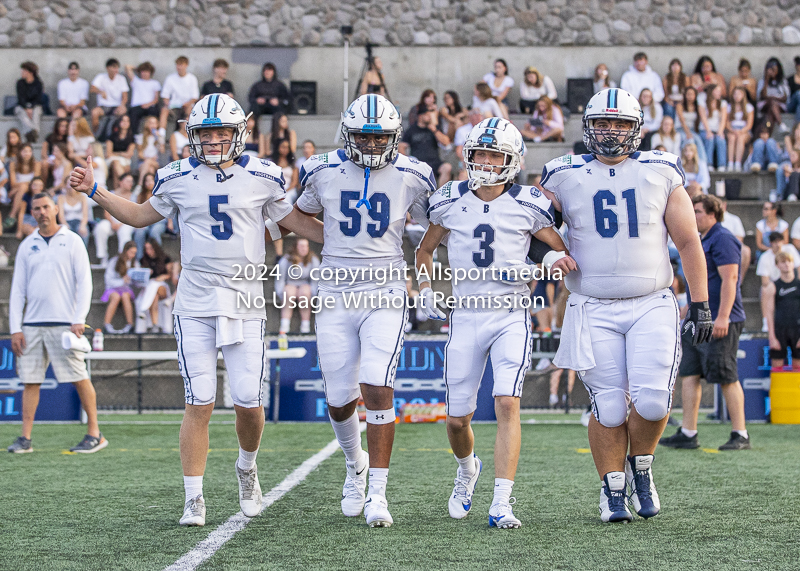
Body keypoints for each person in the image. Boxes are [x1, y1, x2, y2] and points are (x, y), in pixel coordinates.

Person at [69, 92, 323, 527]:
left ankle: (247, 467)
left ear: (238, 132)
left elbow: (293, 222)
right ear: (192, 135)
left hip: (244, 299)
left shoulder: (265, 174)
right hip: (196, 300)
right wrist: (96, 189)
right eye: (204, 132)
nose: (212, 140)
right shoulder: (176, 176)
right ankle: (194, 497)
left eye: (220, 131)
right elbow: (138, 216)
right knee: (198, 400)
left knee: (248, 400)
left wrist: (350, 241)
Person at [539, 87, 713, 523]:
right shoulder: (563, 173)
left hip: (652, 301)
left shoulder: (660, 169)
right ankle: (612, 489)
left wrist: (702, 302)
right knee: (610, 406)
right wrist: (546, 254)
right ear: (588, 126)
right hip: (592, 304)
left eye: (620, 123)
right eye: (602, 123)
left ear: (637, 129)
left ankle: (642, 468)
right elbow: (531, 229)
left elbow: (689, 240)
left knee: (653, 403)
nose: (611, 132)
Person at [416, 117, 574, 528]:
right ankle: (468, 469)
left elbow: (560, 253)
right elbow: (424, 250)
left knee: (507, 402)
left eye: (494, 154)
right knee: (456, 420)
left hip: (510, 314)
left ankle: (502, 502)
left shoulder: (529, 202)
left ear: (512, 160)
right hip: (466, 313)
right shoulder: (449, 198)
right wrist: (426, 288)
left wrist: (537, 267)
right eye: (479, 153)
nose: (485, 161)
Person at [293, 93, 435, 527]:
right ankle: (355, 464)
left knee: (377, 384)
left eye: (381, 138)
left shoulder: (414, 174)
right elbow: (297, 218)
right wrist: (334, 237)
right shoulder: (322, 170)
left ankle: (377, 491)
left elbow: (436, 225)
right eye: (364, 137)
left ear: (394, 138)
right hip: (336, 288)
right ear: (348, 134)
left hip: (386, 287)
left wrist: (426, 279)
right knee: (338, 399)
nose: (372, 145)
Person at [7, 193, 104, 454]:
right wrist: (15, 327)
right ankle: (25, 439)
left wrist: (78, 319)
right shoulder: (28, 244)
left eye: (46, 207)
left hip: (65, 324)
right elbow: (17, 290)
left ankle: (95, 433)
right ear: (32, 212)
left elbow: (85, 282)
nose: (41, 212)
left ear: (56, 208)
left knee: (79, 377)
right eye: (36, 208)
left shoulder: (72, 241)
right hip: (32, 325)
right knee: (30, 381)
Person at [660, 195, 750, 451]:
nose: (694, 215)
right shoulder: (702, 239)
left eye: (698, 211)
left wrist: (723, 316)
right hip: (698, 318)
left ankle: (740, 433)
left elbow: (730, 278)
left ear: (713, 214)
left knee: (726, 375)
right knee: (689, 373)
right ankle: (689, 432)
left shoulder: (722, 238)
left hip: (721, 319)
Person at [756, 232, 800, 333]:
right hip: (775, 286)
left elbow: (799, 267)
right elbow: (765, 281)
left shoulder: (790, 249)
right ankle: (766, 322)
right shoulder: (765, 257)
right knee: (765, 290)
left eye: (779, 241)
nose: (778, 244)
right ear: (771, 243)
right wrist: (775, 286)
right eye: (775, 242)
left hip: (792, 283)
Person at [275, 238, 320, 334]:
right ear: (296, 247)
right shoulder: (287, 259)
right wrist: (280, 292)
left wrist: (313, 293)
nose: (304, 249)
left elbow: (315, 280)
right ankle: (284, 327)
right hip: (290, 284)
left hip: (305, 285)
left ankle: (305, 327)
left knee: (304, 294)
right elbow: (280, 277)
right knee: (289, 293)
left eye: (306, 246)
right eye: (301, 246)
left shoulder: (313, 260)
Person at [399, 109, 452, 187]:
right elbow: (401, 146)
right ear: (421, 116)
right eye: (427, 115)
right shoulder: (411, 130)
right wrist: (406, 162)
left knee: (447, 167)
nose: (430, 117)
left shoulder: (434, 129)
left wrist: (434, 130)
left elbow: (446, 142)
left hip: (435, 162)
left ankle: (439, 195)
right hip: (418, 163)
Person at [93, 172, 136, 266]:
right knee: (101, 228)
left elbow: (133, 213)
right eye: (128, 181)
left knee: (125, 232)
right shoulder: (111, 194)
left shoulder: (134, 196)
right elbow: (106, 212)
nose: (131, 184)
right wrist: (112, 223)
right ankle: (103, 257)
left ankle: (123, 261)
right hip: (112, 221)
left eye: (132, 182)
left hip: (127, 222)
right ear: (120, 182)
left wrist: (120, 224)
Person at [766, 251, 800, 368]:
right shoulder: (773, 286)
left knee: (798, 368)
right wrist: (772, 337)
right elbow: (769, 313)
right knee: (776, 366)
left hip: (797, 330)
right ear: (777, 265)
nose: (787, 264)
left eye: (789, 261)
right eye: (783, 262)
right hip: (780, 330)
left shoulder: (799, 284)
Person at [135, 238, 174, 333]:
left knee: (155, 285)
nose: (148, 251)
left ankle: (143, 308)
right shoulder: (143, 260)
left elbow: (170, 275)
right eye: (146, 249)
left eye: (150, 248)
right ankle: (155, 324)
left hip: (161, 286)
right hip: (149, 287)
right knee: (154, 294)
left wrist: (163, 277)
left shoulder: (165, 259)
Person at [102, 240, 138, 334]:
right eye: (131, 252)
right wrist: (122, 281)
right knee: (116, 296)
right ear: (126, 251)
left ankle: (130, 325)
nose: (132, 255)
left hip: (127, 290)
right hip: (113, 288)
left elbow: (136, 283)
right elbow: (108, 280)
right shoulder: (114, 261)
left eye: (134, 253)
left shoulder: (135, 263)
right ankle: (107, 324)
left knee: (125, 296)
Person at [90, 58, 129, 138]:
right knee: (94, 112)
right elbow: (92, 89)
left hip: (116, 106)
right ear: (108, 68)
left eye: (117, 67)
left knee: (123, 111)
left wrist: (122, 105)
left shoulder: (121, 79)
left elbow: (125, 96)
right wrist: (101, 92)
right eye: (114, 67)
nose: (116, 70)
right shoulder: (101, 77)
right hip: (103, 106)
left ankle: (120, 136)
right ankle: (95, 135)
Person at [159, 56, 199, 134]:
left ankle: (189, 133)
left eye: (181, 65)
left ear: (186, 65)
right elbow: (165, 96)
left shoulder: (192, 78)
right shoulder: (170, 78)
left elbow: (194, 97)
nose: (179, 67)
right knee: (164, 110)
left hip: (187, 105)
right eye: (178, 65)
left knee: (189, 109)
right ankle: (161, 134)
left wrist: (186, 104)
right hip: (174, 106)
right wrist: (168, 104)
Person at [133, 172, 167, 257]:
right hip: (146, 221)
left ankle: (158, 257)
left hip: (160, 221)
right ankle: (139, 259)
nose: (149, 182)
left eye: (151, 180)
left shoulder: (162, 193)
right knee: (139, 232)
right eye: (147, 181)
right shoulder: (140, 196)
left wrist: (170, 223)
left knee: (154, 232)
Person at [719, 197, 752, 280]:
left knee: (745, 250)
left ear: (724, 204)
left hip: (731, 246)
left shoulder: (734, 219)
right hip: (715, 245)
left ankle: (739, 281)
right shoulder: (710, 219)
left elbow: (739, 238)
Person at [125, 62, 162, 134]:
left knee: (154, 113)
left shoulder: (155, 83)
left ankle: (154, 134)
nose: (145, 73)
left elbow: (156, 99)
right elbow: (127, 67)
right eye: (143, 71)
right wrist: (137, 68)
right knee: (133, 115)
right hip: (137, 106)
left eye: (147, 71)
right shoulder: (136, 81)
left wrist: (148, 104)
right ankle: (134, 136)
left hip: (150, 106)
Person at [698, 84, 728, 171]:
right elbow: (703, 117)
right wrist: (708, 131)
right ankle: (708, 164)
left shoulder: (723, 103)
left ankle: (722, 164)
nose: (719, 93)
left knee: (720, 140)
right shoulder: (703, 101)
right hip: (705, 129)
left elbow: (723, 119)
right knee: (710, 139)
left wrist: (720, 131)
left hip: (718, 129)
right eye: (717, 91)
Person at [725, 86, 754, 172]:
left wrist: (741, 131)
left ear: (743, 95)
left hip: (744, 130)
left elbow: (749, 124)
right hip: (732, 129)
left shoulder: (749, 107)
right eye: (735, 94)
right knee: (732, 138)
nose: (737, 96)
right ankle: (730, 163)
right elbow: (726, 123)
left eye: (739, 94)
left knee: (740, 138)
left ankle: (738, 163)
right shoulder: (729, 107)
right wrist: (732, 130)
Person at [14, 61, 44, 143]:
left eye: (24, 71)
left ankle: (30, 133)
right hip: (22, 106)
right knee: (21, 112)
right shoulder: (20, 83)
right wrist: (27, 108)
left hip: (35, 106)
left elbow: (38, 99)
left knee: (36, 111)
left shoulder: (38, 84)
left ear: (30, 73)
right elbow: (20, 98)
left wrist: (31, 108)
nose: (22, 72)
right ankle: (33, 131)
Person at [757, 57, 790, 132]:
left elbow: (785, 98)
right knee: (772, 104)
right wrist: (767, 79)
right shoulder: (762, 81)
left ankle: (767, 135)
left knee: (771, 113)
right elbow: (762, 96)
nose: (773, 72)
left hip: (779, 105)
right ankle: (781, 124)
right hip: (765, 104)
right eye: (771, 70)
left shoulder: (783, 81)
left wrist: (772, 98)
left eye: (775, 69)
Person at [105, 114, 136, 188]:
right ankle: (125, 180)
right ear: (119, 122)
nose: (125, 123)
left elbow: (129, 154)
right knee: (116, 163)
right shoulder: (112, 136)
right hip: (112, 160)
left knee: (118, 169)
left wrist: (116, 153)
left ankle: (117, 189)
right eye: (123, 121)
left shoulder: (131, 138)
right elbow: (109, 154)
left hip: (124, 160)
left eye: (127, 121)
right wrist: (122, 153)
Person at [57, 181, 90, 248]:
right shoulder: (61, 198)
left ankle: (83, 252)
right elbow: (61, 216)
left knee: (83, 232)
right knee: (65, 233)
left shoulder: (82, 197)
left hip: (79, 221)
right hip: (67, 222)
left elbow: (85, 215)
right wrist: (65, 225)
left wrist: (83, 225)